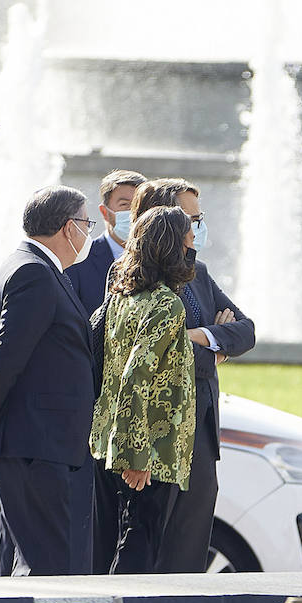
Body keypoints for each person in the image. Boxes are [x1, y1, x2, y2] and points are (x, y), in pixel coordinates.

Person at [0, 186, 98, 576]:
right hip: (38, 447)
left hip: (40, 445)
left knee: (25, 563)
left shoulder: (30, 267)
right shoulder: (34, 273)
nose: (89, 233)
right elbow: (3, 362)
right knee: (48, 571)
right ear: (68, 228)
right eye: (86, 223)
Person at [124, 177, 258, 574]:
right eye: (191, 219)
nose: (198, 229)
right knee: (148, 546)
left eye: (200, 219)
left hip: (198, 428)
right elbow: (140, 362)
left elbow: (245, 330)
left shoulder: (197, 271)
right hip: (156, 434)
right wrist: (209, 354)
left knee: (190, 543)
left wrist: (201, 336)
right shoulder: (133, 277)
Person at [90, 205, 198, 573]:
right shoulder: (167, 305)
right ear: (172, 247)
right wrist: (137, 457)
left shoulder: (123, 297)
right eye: (188, 239)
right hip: (150, 449)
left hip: (112, 439)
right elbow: (137, 380)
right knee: (139, 542)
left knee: (121, 537)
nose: (193, 246)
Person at [66, 168, 146, 317]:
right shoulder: (79, 261)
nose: (134, 213)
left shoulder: (161, 260)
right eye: (125, 205)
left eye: (140, 205)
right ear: (105, 212)